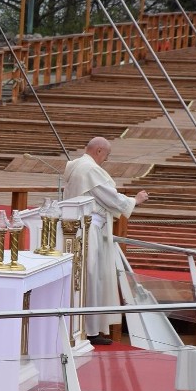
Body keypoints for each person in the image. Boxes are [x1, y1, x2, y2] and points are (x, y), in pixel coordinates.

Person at [63, 137, 149, 345]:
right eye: (107, 156)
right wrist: (134, 201)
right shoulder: (89, 169)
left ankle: (82, 328)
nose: (106, 160)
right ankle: (89, 331)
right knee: (91, 278)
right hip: (89, 229)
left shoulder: (76, 166)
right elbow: (108, 196)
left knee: (84, 277)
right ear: (99, 150)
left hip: (78, 227)